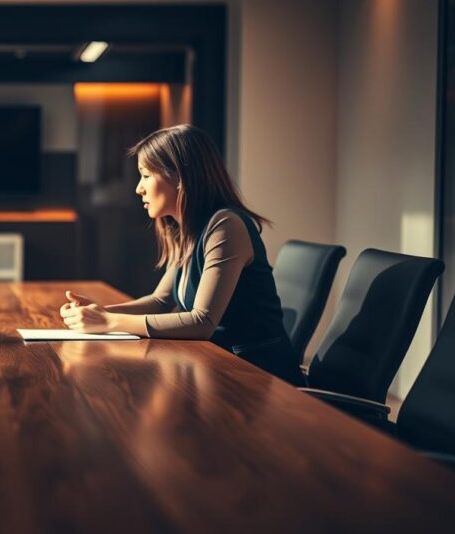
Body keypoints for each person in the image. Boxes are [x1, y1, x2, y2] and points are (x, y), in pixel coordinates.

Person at [59, 124, 301, 384]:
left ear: (180, 176)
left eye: (146, 175)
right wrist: (98, 312)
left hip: (259, 379)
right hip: (220, 368)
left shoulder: (226, 225)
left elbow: (202, 321)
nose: (138, 188)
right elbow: (161, 301)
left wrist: (107, 321)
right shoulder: (188, 229)